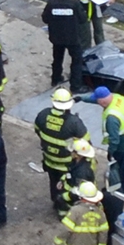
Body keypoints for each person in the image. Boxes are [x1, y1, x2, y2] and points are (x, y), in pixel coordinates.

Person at [33, 87, 87, 217]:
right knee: (66, 186)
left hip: (49, 159)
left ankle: (55, 201)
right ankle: (64, 209)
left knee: (53, 181)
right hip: (67, 164)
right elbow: (85, 143)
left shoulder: (42, 115)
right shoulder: (74, 122)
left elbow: (37, 130)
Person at [89, 85, 124, 196]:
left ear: (102, 102)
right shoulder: (118, 97)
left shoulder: (111, 118)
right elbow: (96, 99)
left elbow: (114, 140)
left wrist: (111, 152)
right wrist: (80, 98)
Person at [42, 0, 89, 90]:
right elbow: (83, 19)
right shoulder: (75, 4)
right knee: (77, 61)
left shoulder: (51, 3)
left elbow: (45, 18)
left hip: (56, 38)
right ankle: (76, 85)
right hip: (72, 38)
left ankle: (56, 78)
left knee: (57, 58)